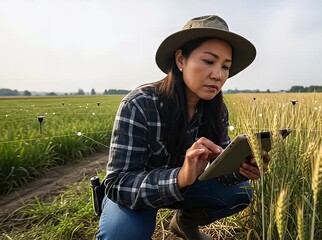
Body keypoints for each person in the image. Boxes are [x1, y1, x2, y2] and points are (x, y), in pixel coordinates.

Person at [97, 15, 270, 240]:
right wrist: (180, 177)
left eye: (225, 67)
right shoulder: (139, 104)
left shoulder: (217, 110)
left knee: (241, 192)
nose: (218, 75)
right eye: (209, 61)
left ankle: (184, 223)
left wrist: (241, 169)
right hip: (137, 195)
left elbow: (219, 172)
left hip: (186, 189)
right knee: (122, 235)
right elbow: (117, 184)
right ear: (180, 60)